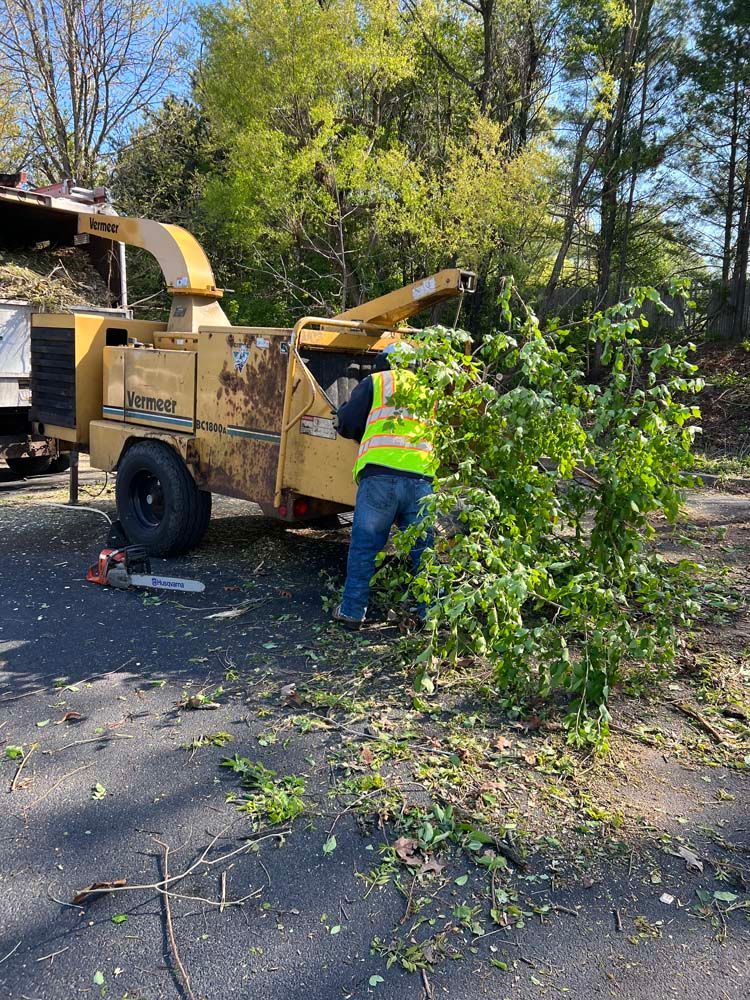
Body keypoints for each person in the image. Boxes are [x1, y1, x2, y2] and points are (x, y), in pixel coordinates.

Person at [332, 342, 436, 628]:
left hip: (379, 478)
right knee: (423, 551)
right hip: (421, 480)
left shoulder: (376, 382)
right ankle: (432, 615)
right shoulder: (431, 391)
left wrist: (341, 420)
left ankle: (353, 611)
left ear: (383, 362)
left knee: (365, 546)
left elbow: (349, 422)